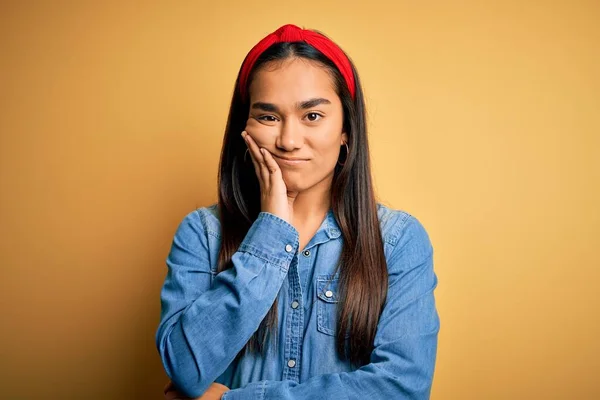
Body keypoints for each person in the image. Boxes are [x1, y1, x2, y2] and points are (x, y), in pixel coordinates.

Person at [156, 24, 440, 400]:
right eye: (269, 117)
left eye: (312, 117)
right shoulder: (202, 234)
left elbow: (401, 388)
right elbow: (186, 369)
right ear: (245, 128)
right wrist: (271, 231)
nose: (288, 141)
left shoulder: (398, 240)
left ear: (346, 131)